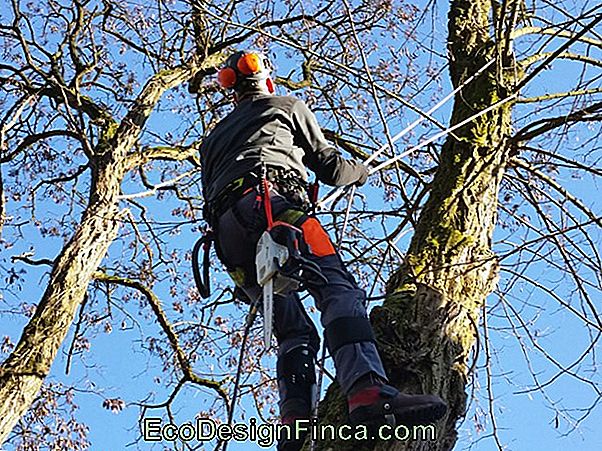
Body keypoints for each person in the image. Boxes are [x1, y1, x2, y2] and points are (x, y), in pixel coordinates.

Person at [199, 50, 447, 450]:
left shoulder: (211, 142)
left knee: (292, 329)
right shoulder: (286, 106)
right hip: (275, 208)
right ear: (268, 83)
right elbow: (330, 168)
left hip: (229, 241)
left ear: (232, 94)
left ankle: (294, 422)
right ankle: (367, 390)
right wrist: (360, 171)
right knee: (337, 288)